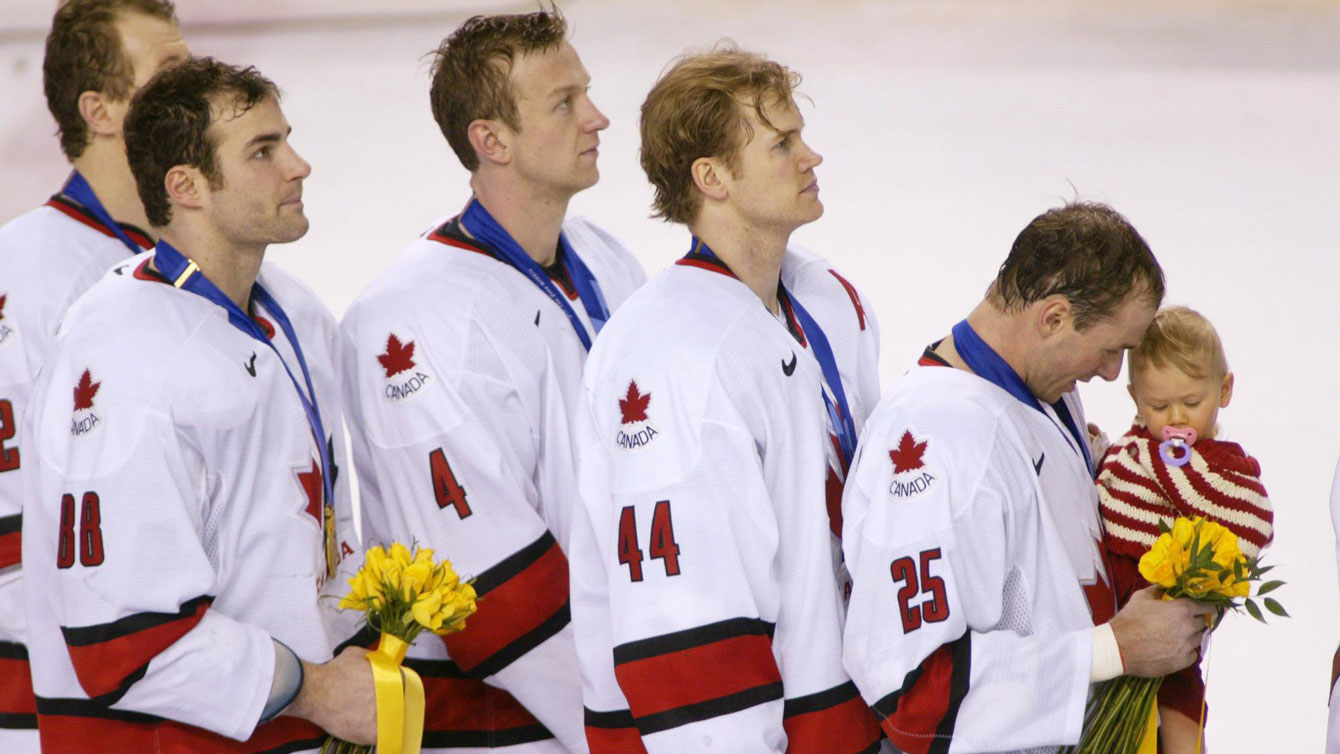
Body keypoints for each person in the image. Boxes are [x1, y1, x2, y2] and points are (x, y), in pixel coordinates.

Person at [21, 57, 374, 753]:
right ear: (185, 187)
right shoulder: (121, 354)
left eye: (287, 140)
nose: (298, 166)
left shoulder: (296, 314)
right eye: (263, 152)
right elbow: (122, 642)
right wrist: (318, 689)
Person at [339, 7, 644, 752]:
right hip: (503, 731)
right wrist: (627, 736)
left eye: (588, 93)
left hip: (622, 690)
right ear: (491, 139)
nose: (597, 118)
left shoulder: (605, 258)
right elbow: (490, 588)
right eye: (565, 102)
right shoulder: (409, 320)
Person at [568, 47, 883, 754]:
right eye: (782, 143)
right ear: (710, 178)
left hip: (846, 723)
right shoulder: (671, 354)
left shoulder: (827, 299)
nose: (811, 156)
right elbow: (681, 625)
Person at [841, 202, 1212, 753]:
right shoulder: (935, 442)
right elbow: (914, 693)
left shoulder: (1041, 390)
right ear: (1054, 317)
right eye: (1113, 349)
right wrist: (1115, 649)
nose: (1113, 373)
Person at [0, 2, 189, 749]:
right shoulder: (26, 275)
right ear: (100, 109)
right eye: (171, 74)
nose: (198, 87)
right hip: (55, 719)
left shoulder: (205, 264)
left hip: (196, 697)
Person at [1097, 305, 1271, 752]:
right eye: (1158, 405)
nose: (1176, 417)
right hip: (1106, 622)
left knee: (1181, 698)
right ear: (1136, 398)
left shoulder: (1224, 466)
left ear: (1224, 389)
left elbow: (1250, 521)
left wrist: (1176, 468)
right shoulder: (1130, 450)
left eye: (1192, 403)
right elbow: (1104, 493)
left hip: (1168, 617)